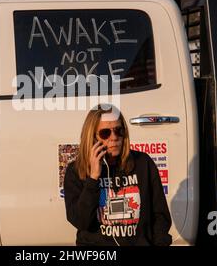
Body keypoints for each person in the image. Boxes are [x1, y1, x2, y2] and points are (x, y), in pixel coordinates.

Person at [64, 104, 172, 246]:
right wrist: (93, 179)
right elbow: (81, 221)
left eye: (118, 131)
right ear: (92, 138)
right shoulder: (76, 170)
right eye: (105, 133)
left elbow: (160, 216)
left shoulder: (143, 163)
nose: (114, 138)